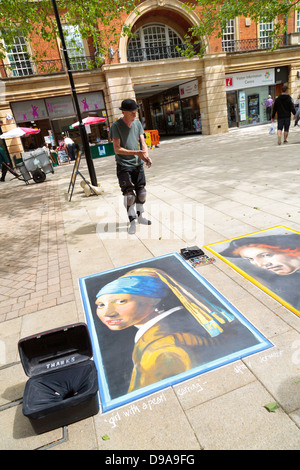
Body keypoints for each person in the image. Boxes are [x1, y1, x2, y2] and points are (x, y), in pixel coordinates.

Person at [95, 267, 259, 392]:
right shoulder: (185, 317)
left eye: (121, 301)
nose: (108, 312)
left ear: (153, 299)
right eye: (101, 305)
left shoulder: (159, 351)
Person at [218, 232, 300, 311]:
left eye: (266, 255)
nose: (260, 264)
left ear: (293, 250)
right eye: (250, 259)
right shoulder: (282, 281)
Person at [110, 99, 152, 234]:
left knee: (142, 193)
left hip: (138, 164)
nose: (135, 115)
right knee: (129, 196)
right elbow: (117, 149)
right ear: (124, 112)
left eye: (136, 112)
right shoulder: (116, 126)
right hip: (123, 165)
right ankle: (132, 221)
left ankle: (140, 217)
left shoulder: (138, 123)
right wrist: (136, 153)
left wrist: (145, 155)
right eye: (132, 113)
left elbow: (143, 142)